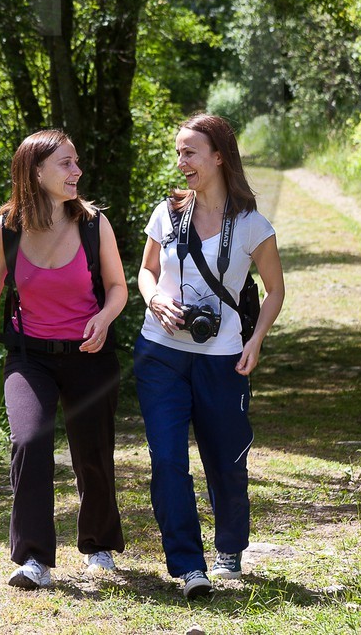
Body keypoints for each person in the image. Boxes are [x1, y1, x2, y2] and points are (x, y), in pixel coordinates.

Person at [0, 129, 130, 590]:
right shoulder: (7, 228)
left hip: (89, 354)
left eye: (76, 162)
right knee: (29, 440)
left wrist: (105, 319)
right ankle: (34, 559)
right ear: (35, 172)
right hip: (29, 356)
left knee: (92, 452)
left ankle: (98, 545)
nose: (77, 172)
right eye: (66, 164)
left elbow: (118, 288)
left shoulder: (94, 224)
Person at [131, 113, 286, 599]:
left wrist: (255, 340)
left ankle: (229, 550)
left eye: (190, 152)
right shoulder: (167, 213)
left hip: (222, 358)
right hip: (160, 353)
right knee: (167, 458)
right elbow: (145, 271)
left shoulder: (251, 224)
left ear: (218, 156)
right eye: (178, 153)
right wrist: (153, 297)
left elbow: (276, 290)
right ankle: (188, 567)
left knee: (225, 460)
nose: (181, 162)